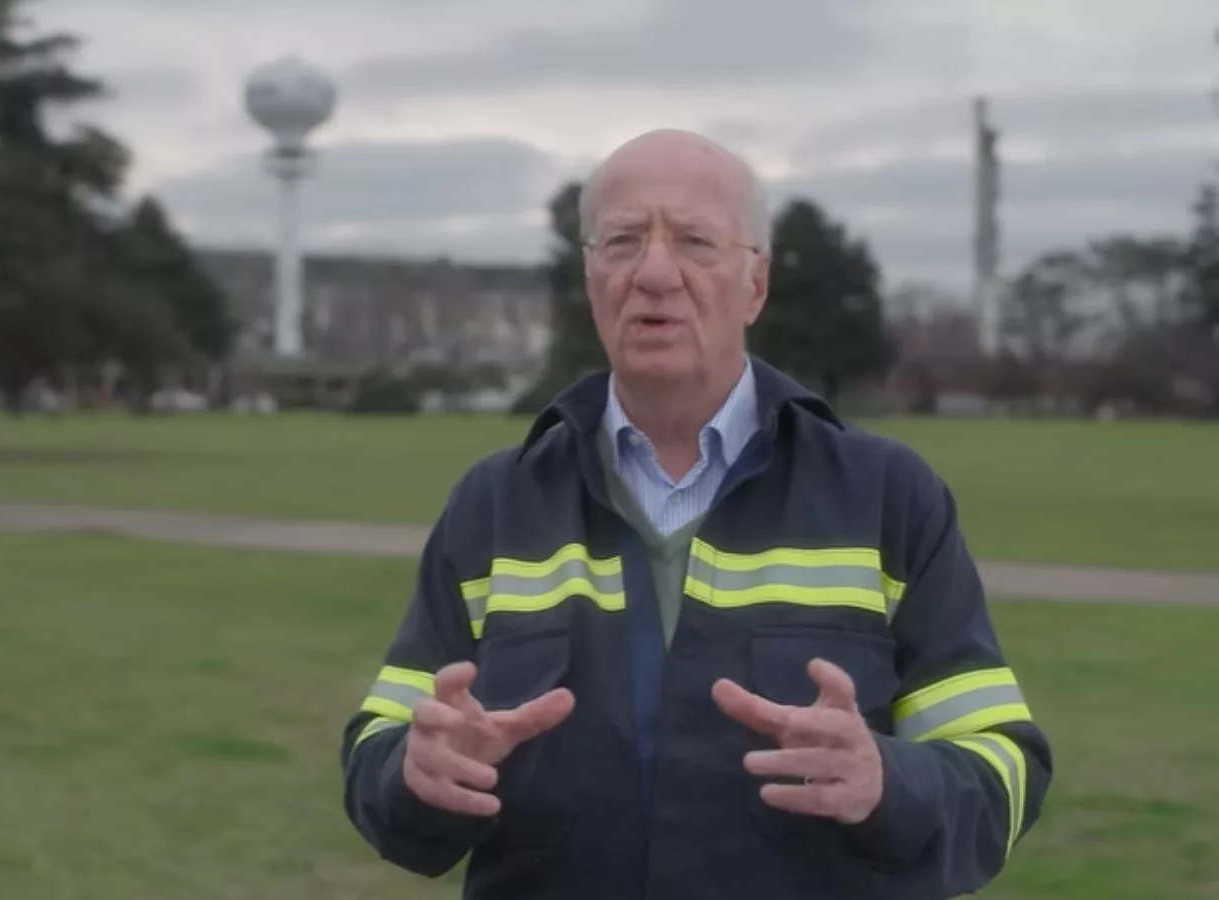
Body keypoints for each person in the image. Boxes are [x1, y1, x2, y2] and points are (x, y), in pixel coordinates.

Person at [338, 128, 1052, 899]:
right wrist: (417, 773)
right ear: (591, 276)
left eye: (695, 241)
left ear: (755, 284)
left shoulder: (887, 498)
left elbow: (1002, 769)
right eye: (621, 241)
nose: (653, 273)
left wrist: (887, 780)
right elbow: (380, 753)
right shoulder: (494, 505)